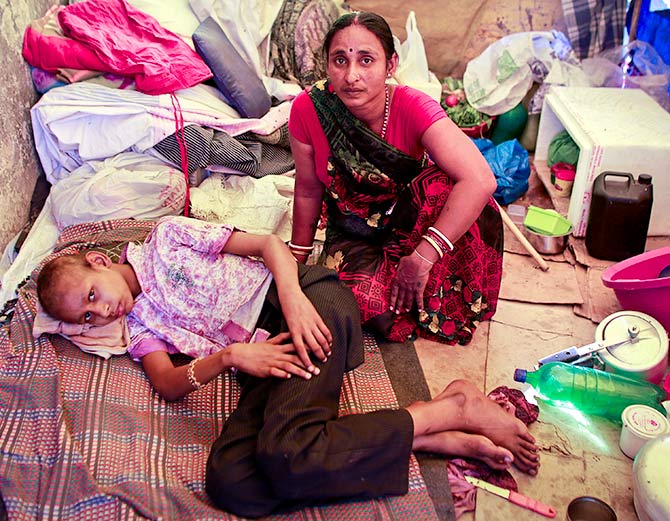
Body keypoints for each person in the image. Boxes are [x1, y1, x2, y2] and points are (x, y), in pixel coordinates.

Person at [36, 216, 538, 518]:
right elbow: (168, 382)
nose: (101, 311)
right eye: (85, 316)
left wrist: (295, 298)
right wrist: (232, 356)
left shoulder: (167, 238)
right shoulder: (140, 329)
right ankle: (422, 434)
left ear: (98, 262)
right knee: (231, 483)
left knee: (287, 452)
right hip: (266, 357)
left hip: (308, 301)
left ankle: (449, 410)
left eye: (92, 295)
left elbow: (267, 246)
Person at [288, 11, 504, 345]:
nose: (351, 75)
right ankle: (409, 292)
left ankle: (425, 280)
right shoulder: (309, 109)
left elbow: (480, 179)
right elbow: (306, 189)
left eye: (366, 60)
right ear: (326, 65)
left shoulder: (412, 105)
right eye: (340, 60)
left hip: (412, 227)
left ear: (390, 66)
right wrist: (294, 263)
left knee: (443, 187)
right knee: (357, 303)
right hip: (353, 230)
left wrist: (421, 258)